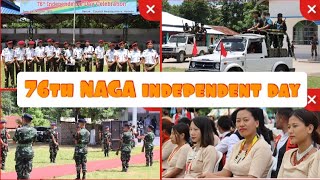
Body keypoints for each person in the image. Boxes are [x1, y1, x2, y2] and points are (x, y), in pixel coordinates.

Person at [200, 108, 273, 178]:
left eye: (246, 120)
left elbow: (252, 178)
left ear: (256, 123)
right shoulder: (238, 145)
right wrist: (207, 175)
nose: (241, 124)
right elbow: (226, 172)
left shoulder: (262, 147)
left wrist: (213, 177)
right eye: (238, 121)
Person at [277, 109, 319, 178]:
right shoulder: (287, 154)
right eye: (289, 127)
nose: (290, 131)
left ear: (310, 128)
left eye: (295, 126)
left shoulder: (316, 157)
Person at [271, 108, 297, 178]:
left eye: (276, 118)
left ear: (281, 118)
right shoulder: (279, 137)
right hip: (274, 173)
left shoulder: (295, 139)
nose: (275, 121)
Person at [12, 114, 37, 179]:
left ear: (23, 119)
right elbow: (34, 143)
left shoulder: (19, 130)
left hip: (20, 152)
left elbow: (14, 142)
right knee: (27, 170)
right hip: (29, 152)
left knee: (19, 170)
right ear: (30, 121)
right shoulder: (34, 130)